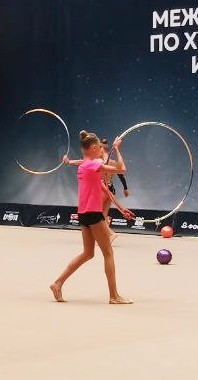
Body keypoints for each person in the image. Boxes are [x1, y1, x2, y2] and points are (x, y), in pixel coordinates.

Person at [50, 131, 135, 305]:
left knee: (88, 253)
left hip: (83, 214)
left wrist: (121, 208)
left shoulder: (85, 166)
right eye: (100, 148)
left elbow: (104, 189)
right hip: (93, 214)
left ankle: (57, 283)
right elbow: (122, 169)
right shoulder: (93, 165)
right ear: (95, 147)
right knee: (108, 253)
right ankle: (114, 296)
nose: (102, 151)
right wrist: (117, 149)